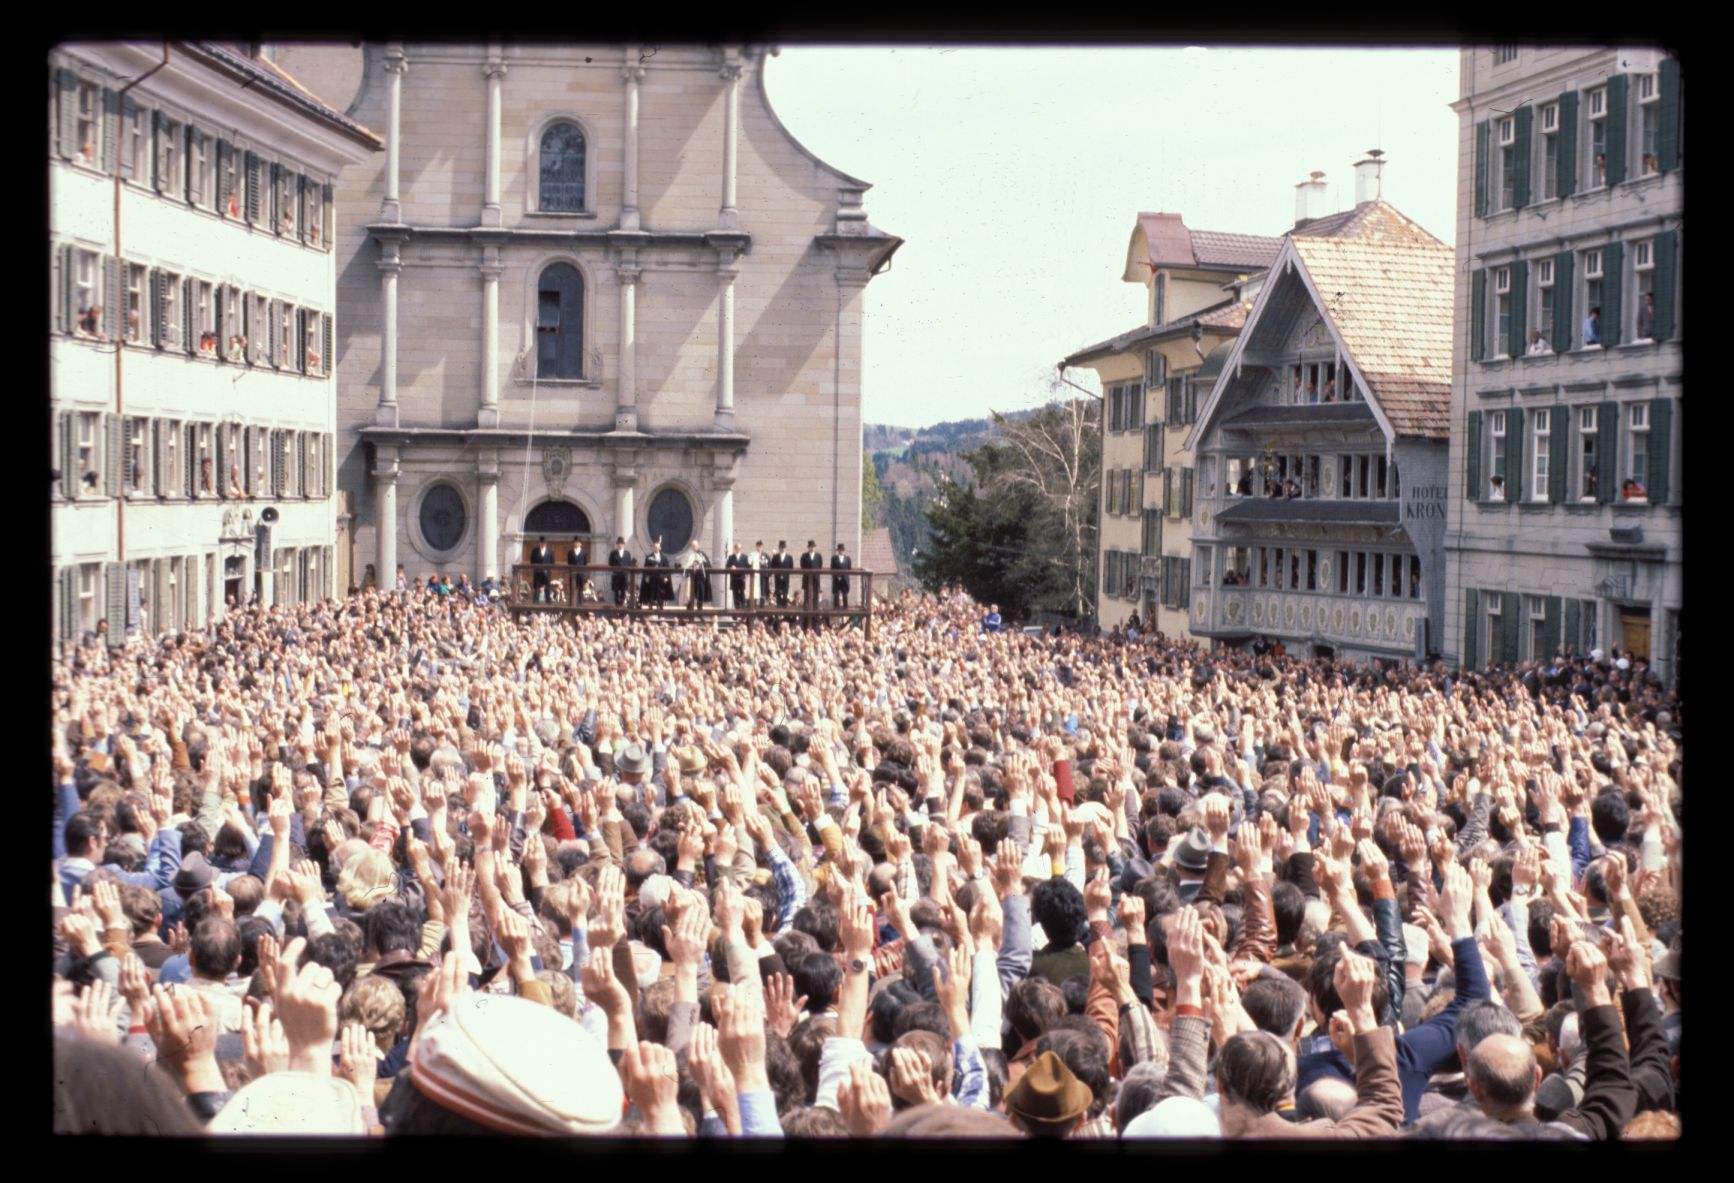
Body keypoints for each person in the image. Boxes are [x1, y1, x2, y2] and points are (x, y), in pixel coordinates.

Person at [681, 542, 713, 611]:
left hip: (700, 577)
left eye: (695, 546)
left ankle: (699, 607)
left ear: (697, 546)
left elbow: (707, 565)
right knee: (690, 592)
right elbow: (687, 565)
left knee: (700, 592)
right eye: (692, 546)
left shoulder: (702, 554)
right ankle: (689, 606)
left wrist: (700, 564)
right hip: (692, 577)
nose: (694, 547)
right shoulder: (690, 555)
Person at [608, 536, 634, 607]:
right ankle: (617, 604)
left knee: (623, 590)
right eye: (618, 543)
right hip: (616, 574)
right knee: (616, 591)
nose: (620, 545)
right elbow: (610, 563)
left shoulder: (627, 553)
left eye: (621, 544)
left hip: (624, 575)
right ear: (617, 544)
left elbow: (629, 563)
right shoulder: (613, 553)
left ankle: (622, 603)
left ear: (623, 545)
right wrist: (615, 570)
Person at [726, 543, 752, 610]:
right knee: (735, 593)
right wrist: (731, 567)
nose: (738, 549)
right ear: (735, 548)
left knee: (742, 592)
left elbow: (748, 567)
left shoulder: (745, 557)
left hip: (741, 577)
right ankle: (737, 607)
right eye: (737, 548)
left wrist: (751, 564)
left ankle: (743, 606)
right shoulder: (731, 557)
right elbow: (727, 566)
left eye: (739, 548)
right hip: (734, 578)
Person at [800, 540, 824, 612]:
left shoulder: (818, 556)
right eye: (810, 547)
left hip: (816, 576)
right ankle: (806, 605)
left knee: (816, 591)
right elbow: (802, 566)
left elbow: (820, 565)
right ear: (808, 547)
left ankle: (815, 606)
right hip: (807, 576)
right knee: (806, 591)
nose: (812, 548)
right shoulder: (804, 556)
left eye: (813, 547)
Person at [530, 537, 554, 604]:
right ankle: (535, 603)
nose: (543, 544)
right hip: (537, 572)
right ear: (539, 543)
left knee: (547, 588)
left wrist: (547, 569)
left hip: (547, 573)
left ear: (546, 544)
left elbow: (552, 562)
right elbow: (532, 561)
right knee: (537, 587)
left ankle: (548, 602)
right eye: (541, 543)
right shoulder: (535, 551)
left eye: (544, 543)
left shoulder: (550, 551)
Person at [830, 544, 853, 610]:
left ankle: (845, 606)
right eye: (840, 550)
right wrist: (837, 576)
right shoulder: (834, 558)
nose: (841, 551)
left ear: (844, 550)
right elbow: (832, 568)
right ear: (838, 551)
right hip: (836, 578)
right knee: (836, 593)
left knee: (845, 593)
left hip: (845, 578)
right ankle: (836, 607)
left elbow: (849, 568)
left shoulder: (847, 559)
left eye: (842, 550)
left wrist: (844, 575)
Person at [772, 541, 794, 607]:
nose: (782, 549)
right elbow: (772, 566)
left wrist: (786, 573)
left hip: (786, 576)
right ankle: (779, 604)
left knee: (785, 590)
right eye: (781, 547)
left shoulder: (789, 557)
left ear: (785, 548)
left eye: (783, 547)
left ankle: (784, 604)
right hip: (777, 576)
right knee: (778, 590)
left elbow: (791, 567)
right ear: (779, 548)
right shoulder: (775, 557)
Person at [750, 540, 771, 607]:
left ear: (762, 547)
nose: (759, 548)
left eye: (760, 546)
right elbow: (749, 564)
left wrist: (768, 575)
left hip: (763, 576)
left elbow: (769, 566)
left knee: (763, 591)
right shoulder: (752, 555)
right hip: (755, 577)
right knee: (755, 591)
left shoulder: (766, 555)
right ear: (756, 547)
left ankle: (762, 605)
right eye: (758, 546)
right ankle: (754, 605)